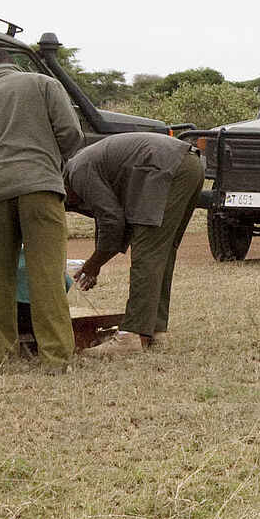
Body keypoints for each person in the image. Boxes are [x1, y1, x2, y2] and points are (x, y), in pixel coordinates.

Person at [0, 47, 84, 371]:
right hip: (39, 187)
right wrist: (49, 161)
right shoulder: (43, 83)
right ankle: (56, 357)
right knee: (45, 274)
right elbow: (71, 134)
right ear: (13, 65)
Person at [64, 132, 204, 355]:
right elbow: (112, 218)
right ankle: (154, 331)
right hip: (190, 164)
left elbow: (112, 221)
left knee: (147, 253)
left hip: (164, 167)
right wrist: (97, 261)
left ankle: (131, 336)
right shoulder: (85, 164)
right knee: (162, 251)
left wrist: (93, 265)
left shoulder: (77, 172)